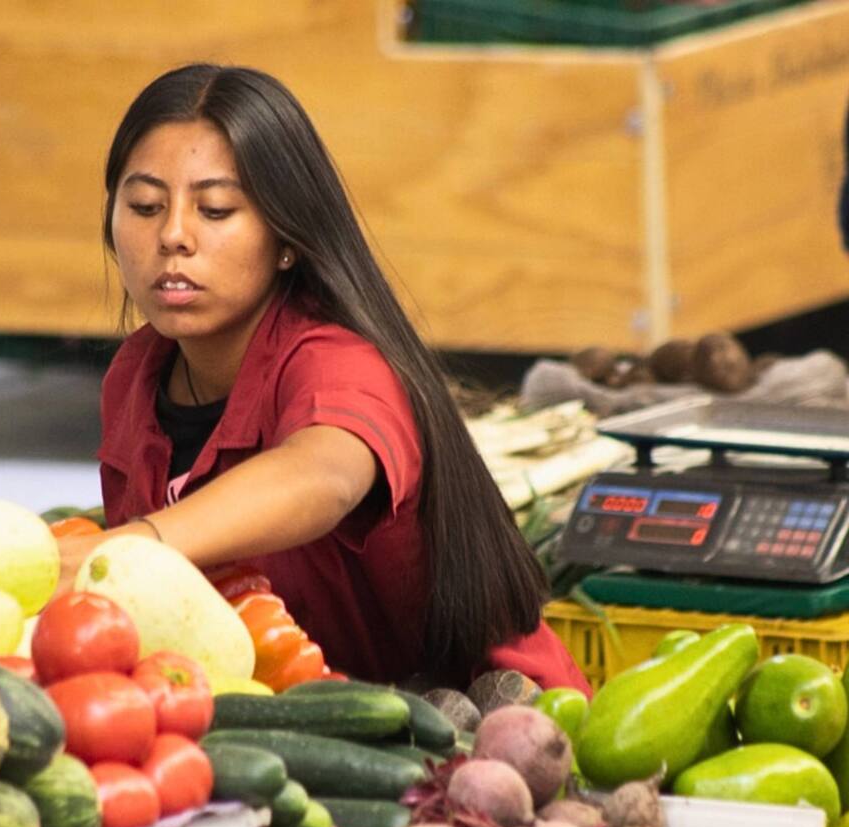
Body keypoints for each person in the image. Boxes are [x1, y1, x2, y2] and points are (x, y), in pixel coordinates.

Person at [53, 63, 589, 694]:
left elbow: (323, 473)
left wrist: (131, 547)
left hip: (488, 726)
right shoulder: (134, 378)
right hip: (293, 730)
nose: (173, 235)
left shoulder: (336, 359)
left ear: (287, 238)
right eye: (144, 206)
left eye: (216, 209)